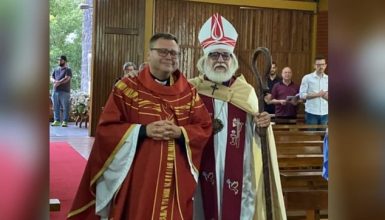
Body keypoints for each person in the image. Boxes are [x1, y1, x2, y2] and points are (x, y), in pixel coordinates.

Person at [68, 33, 212, 220]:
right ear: (148, 55)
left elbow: (204, 125)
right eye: (163, 51)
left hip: (177, 179)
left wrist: (181, 132)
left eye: (174, 53)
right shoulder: (127, 88)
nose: (169, 57)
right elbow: (106, 129)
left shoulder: (188, 92)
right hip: (138, 175)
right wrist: (143, 130)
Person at [189, 13, 286, 220]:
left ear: (232, 60)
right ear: (205, 59)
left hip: (237, 172)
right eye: (215, 55)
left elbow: (257, 136)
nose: (220, 60)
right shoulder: (191, 90)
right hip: (200, 168)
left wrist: (262, 127)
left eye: (225, 56)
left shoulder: (246, 91)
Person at [299, 55, 328, 125]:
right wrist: (317, 94)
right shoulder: (307, 78)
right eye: (318, 65)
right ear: (314, 66)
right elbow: (301, 95)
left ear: (325, 65)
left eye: (322, 64)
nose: (321, 67)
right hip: (311, 113)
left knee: (324, 136)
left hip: (326, 113)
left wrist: (326, 96)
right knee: (311, 135)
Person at [51, 55, 72, 127]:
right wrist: (54, 81)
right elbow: (51, 77)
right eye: (58, 60)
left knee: (65, 107)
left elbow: (67, 78)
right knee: (55, 106)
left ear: (65, 61)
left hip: (65, 92)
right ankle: (57, 120)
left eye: (61, 60)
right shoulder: (56, 69)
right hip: (55, 91)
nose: (59, 61)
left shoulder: (68, 69)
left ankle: (65, 121)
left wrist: (58, 82)